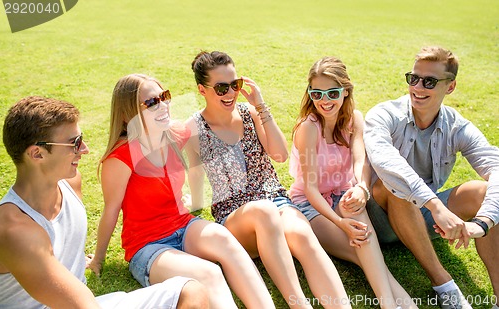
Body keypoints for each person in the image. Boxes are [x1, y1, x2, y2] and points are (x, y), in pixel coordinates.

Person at [0, 96, 208, 309]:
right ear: (37, 153)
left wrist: (93, 259)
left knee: (191, 291)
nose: (85, 149)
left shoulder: (71, 183)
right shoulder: (14, 229)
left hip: (86, 303)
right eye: (74, 143)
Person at [88, 74, 274, 309]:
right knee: (209, 273)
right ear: (127, 115)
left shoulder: (176, 133)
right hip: (147, 246)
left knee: (227, 241)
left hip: (183, 225)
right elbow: (111, 209)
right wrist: (98, 259)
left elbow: (213, 119)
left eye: (164, 96)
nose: (163, 105)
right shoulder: (120, 158)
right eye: (152, 102)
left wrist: (249, 104)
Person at [186, 51, 351, 309]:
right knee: (263, 212)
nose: (230, 93)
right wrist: (192, 204)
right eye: (221, 88)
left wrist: (261, 106)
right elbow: (196, 179)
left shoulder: (251, 113)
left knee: (303, 235)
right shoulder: (194, 128)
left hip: (276, 200)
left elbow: (281, 155)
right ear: (202, 89)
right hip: (235, 216)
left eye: (234, 85)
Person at [364, 46, 499, 309]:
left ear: (450, 87)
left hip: (424, 217)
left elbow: (496, 166)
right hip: (377, 217)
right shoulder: (383, 115)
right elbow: (387, 165)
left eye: (429, 82)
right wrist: (436, 206)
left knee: (483, 191)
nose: (418, 87)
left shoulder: (457, 126)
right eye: (413, 78)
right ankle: (444, 285)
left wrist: (484, 222)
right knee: (394, 185)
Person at [289, 56, 417, 309]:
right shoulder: (308, 128)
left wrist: (361, 188)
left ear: (345, 91)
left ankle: (391, 305)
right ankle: (397, 304)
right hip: (311, 206)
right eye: (317, 94)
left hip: (344, 196)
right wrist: (341, 224)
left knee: (359, 228)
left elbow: (361, 161)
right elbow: (310, 189)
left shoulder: (355, 119)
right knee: (364, 252)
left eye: (332, 93)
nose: (324, 101)